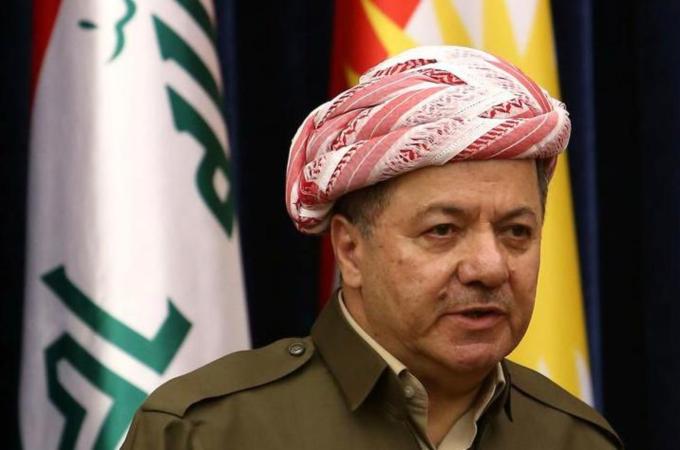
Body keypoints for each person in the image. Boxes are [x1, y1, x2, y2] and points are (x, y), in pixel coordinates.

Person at [122, 46, 622, 450]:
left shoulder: (575, 440)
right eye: (443, 230)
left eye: (516, 232)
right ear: (350, 249)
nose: (489, 268)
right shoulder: (208, 433)